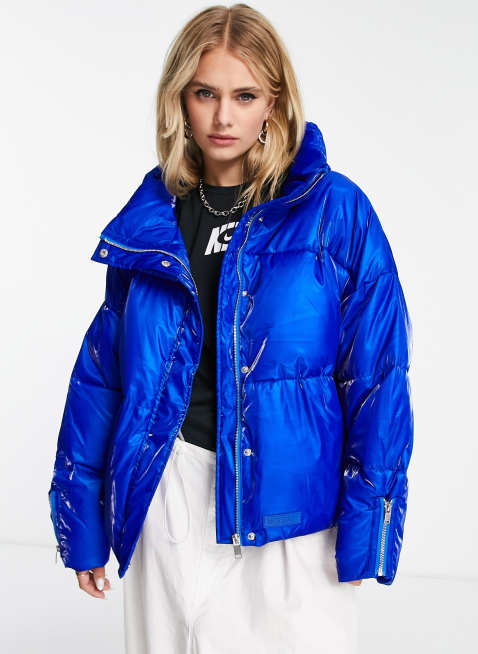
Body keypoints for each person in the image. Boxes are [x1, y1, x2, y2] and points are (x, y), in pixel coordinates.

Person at [47, 4, 414, 653]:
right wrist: (81, 522)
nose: (223, 117)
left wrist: (370, 528)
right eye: (205, 93)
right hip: (170, 495)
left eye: (243, 96)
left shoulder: (334, 211)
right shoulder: (152, 220)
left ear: (274, 101)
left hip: (292, 514)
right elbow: (103, 378)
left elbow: (377, 378)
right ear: (179, 99)